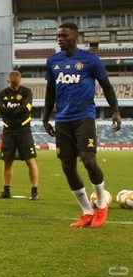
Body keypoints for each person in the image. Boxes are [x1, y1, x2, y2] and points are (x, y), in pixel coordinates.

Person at [42, 22, 121, 228]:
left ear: (75, 37)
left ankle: (101, 204)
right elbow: (50, 92)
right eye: (58, 36)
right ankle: (87, 211)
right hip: (62, 119)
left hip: (84, 115)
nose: (60, 39)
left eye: (64, 35)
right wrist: (45, 117)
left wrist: (115, 110)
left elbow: (107, 87)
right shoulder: (53, 62)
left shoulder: (90, 60)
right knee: (67, 165)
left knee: (88, 160)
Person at [0, 70, 39, 201]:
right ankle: (6, 190)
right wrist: (15, 111)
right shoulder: (3, 94)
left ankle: (35, 191)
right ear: (8, 82)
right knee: (7, 161)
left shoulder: (26, 92)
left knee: (30, 160)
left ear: (21, 80)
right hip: (8, 131)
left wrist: (7, 111)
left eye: (16, 84)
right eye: (12, 84)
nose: (14, 87)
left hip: (24, 130)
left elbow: (26, 108)